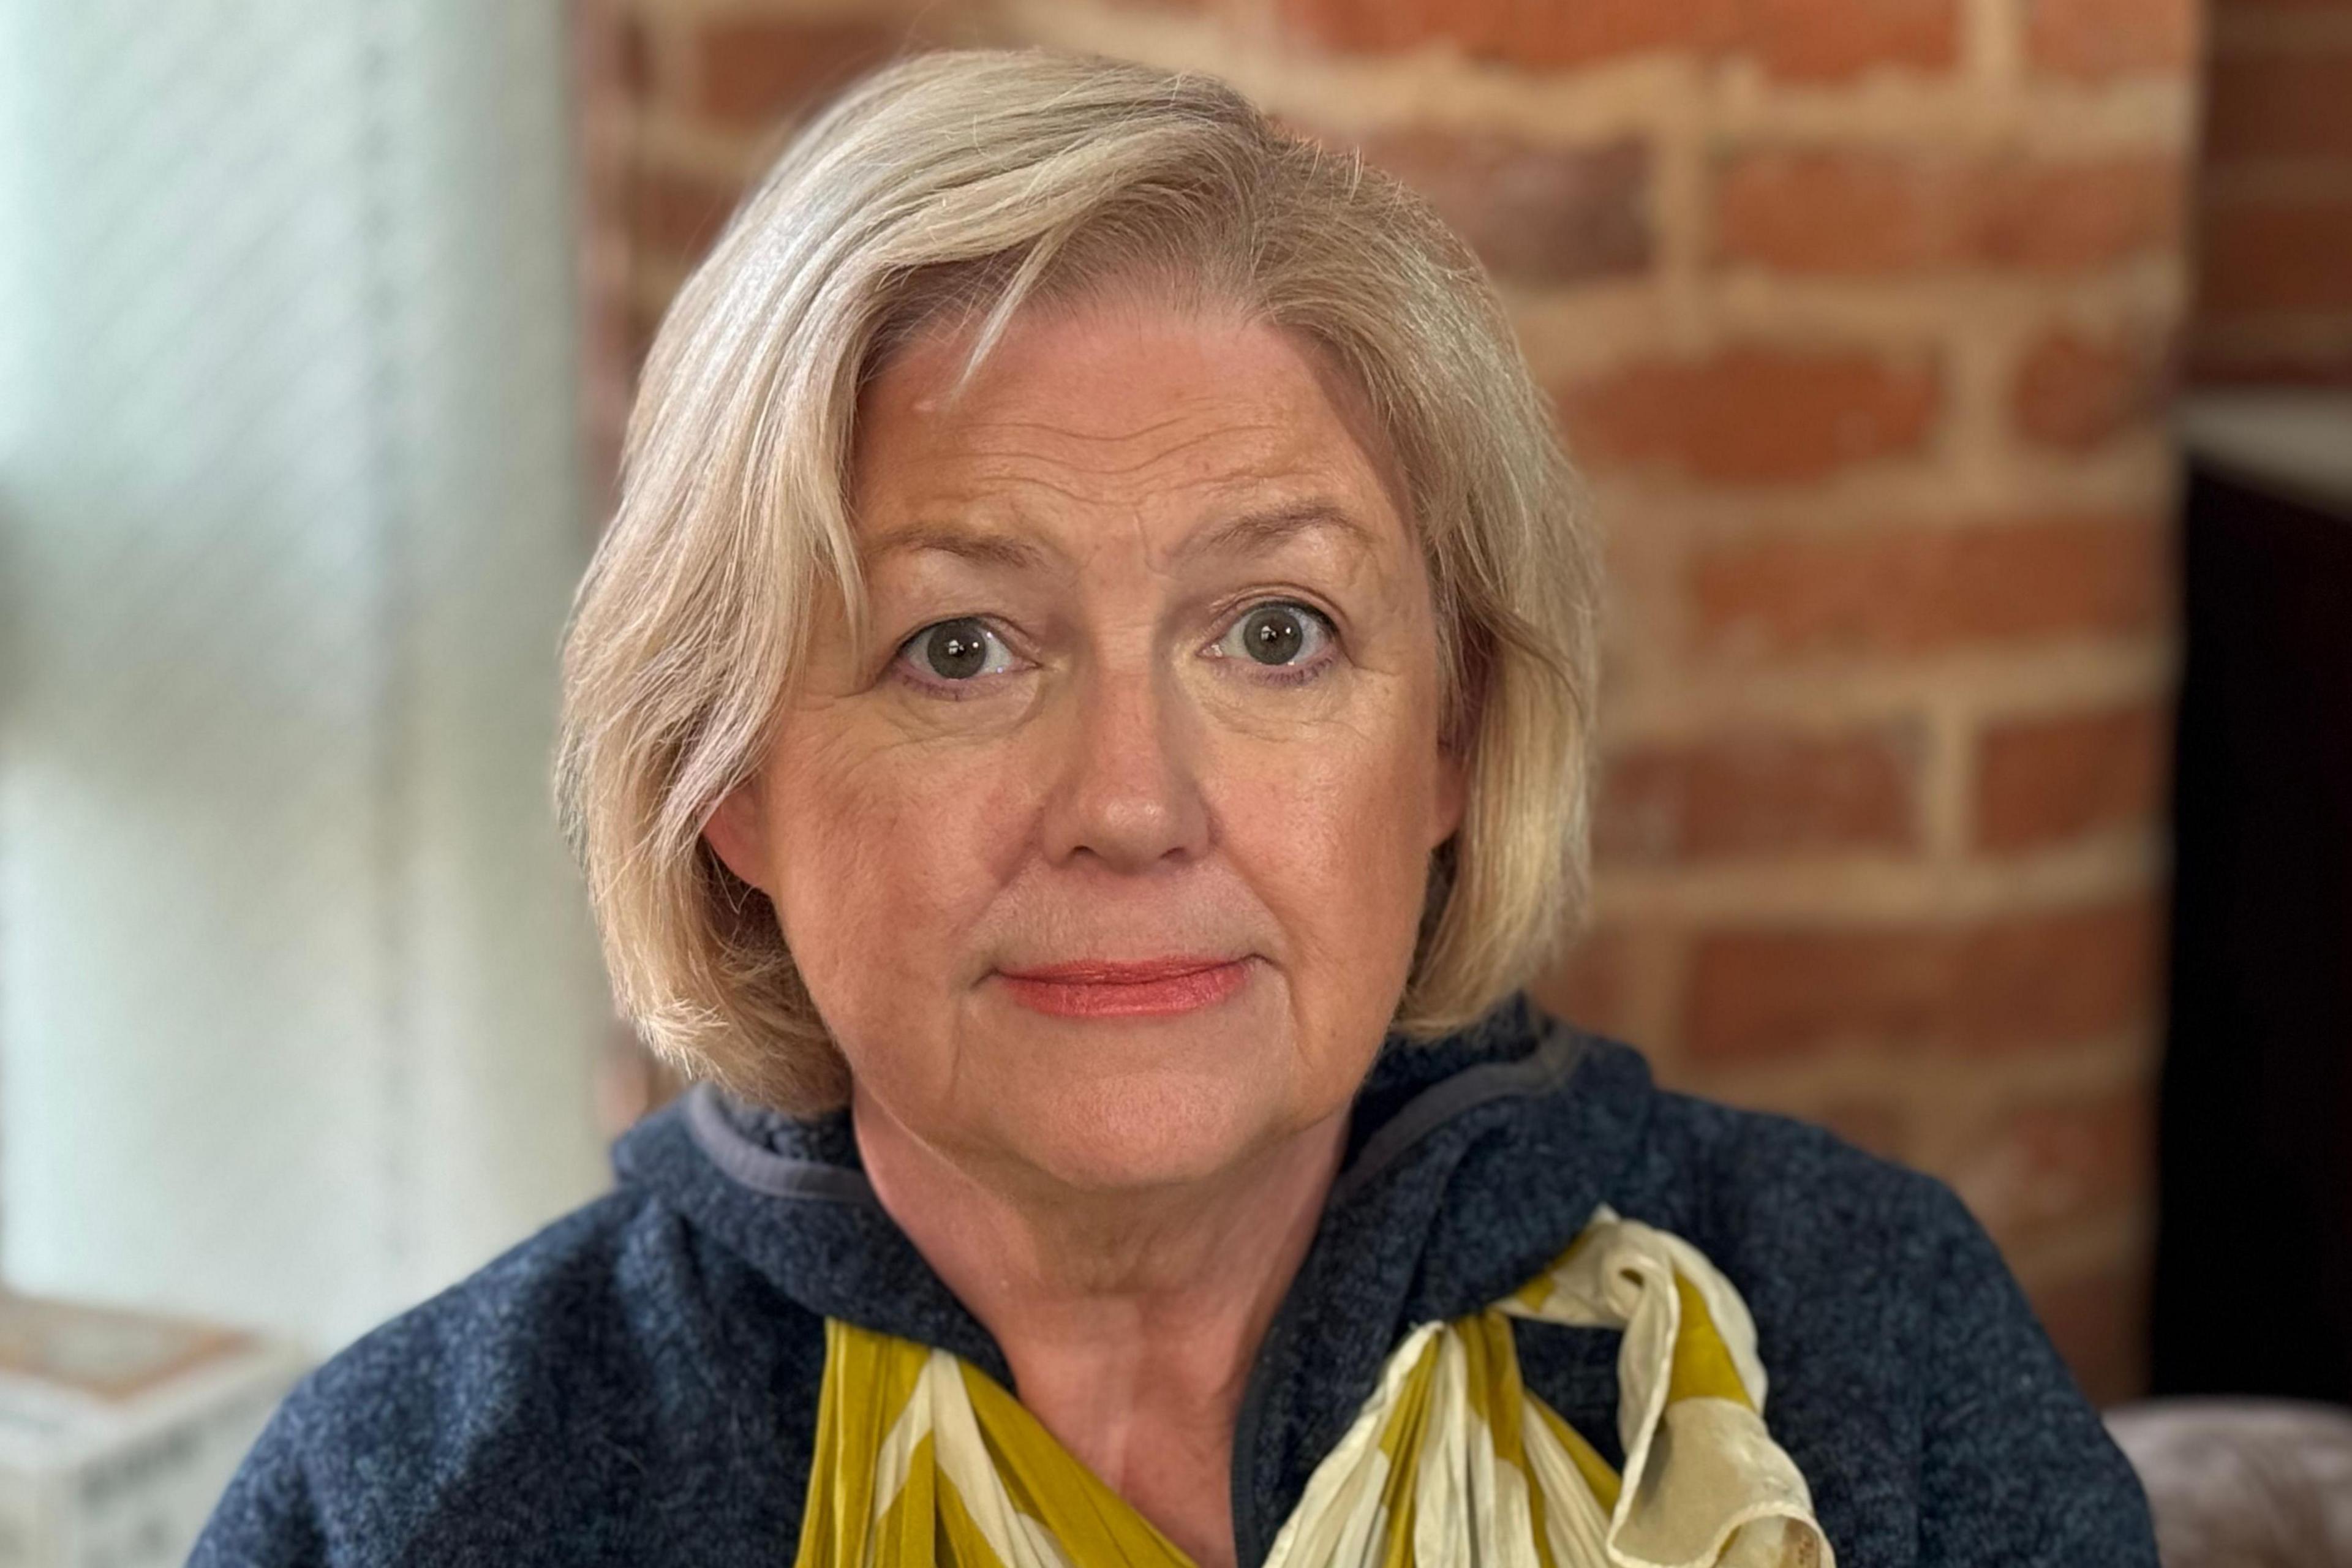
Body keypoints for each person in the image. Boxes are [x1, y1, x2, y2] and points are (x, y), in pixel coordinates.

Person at [192, 48, 2157, 1568]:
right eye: (961, 650)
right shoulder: (423, 1498)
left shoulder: (1864, 1340)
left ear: (1455, 741)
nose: (1132, 805)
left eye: (1278, 633)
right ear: (729, 780)